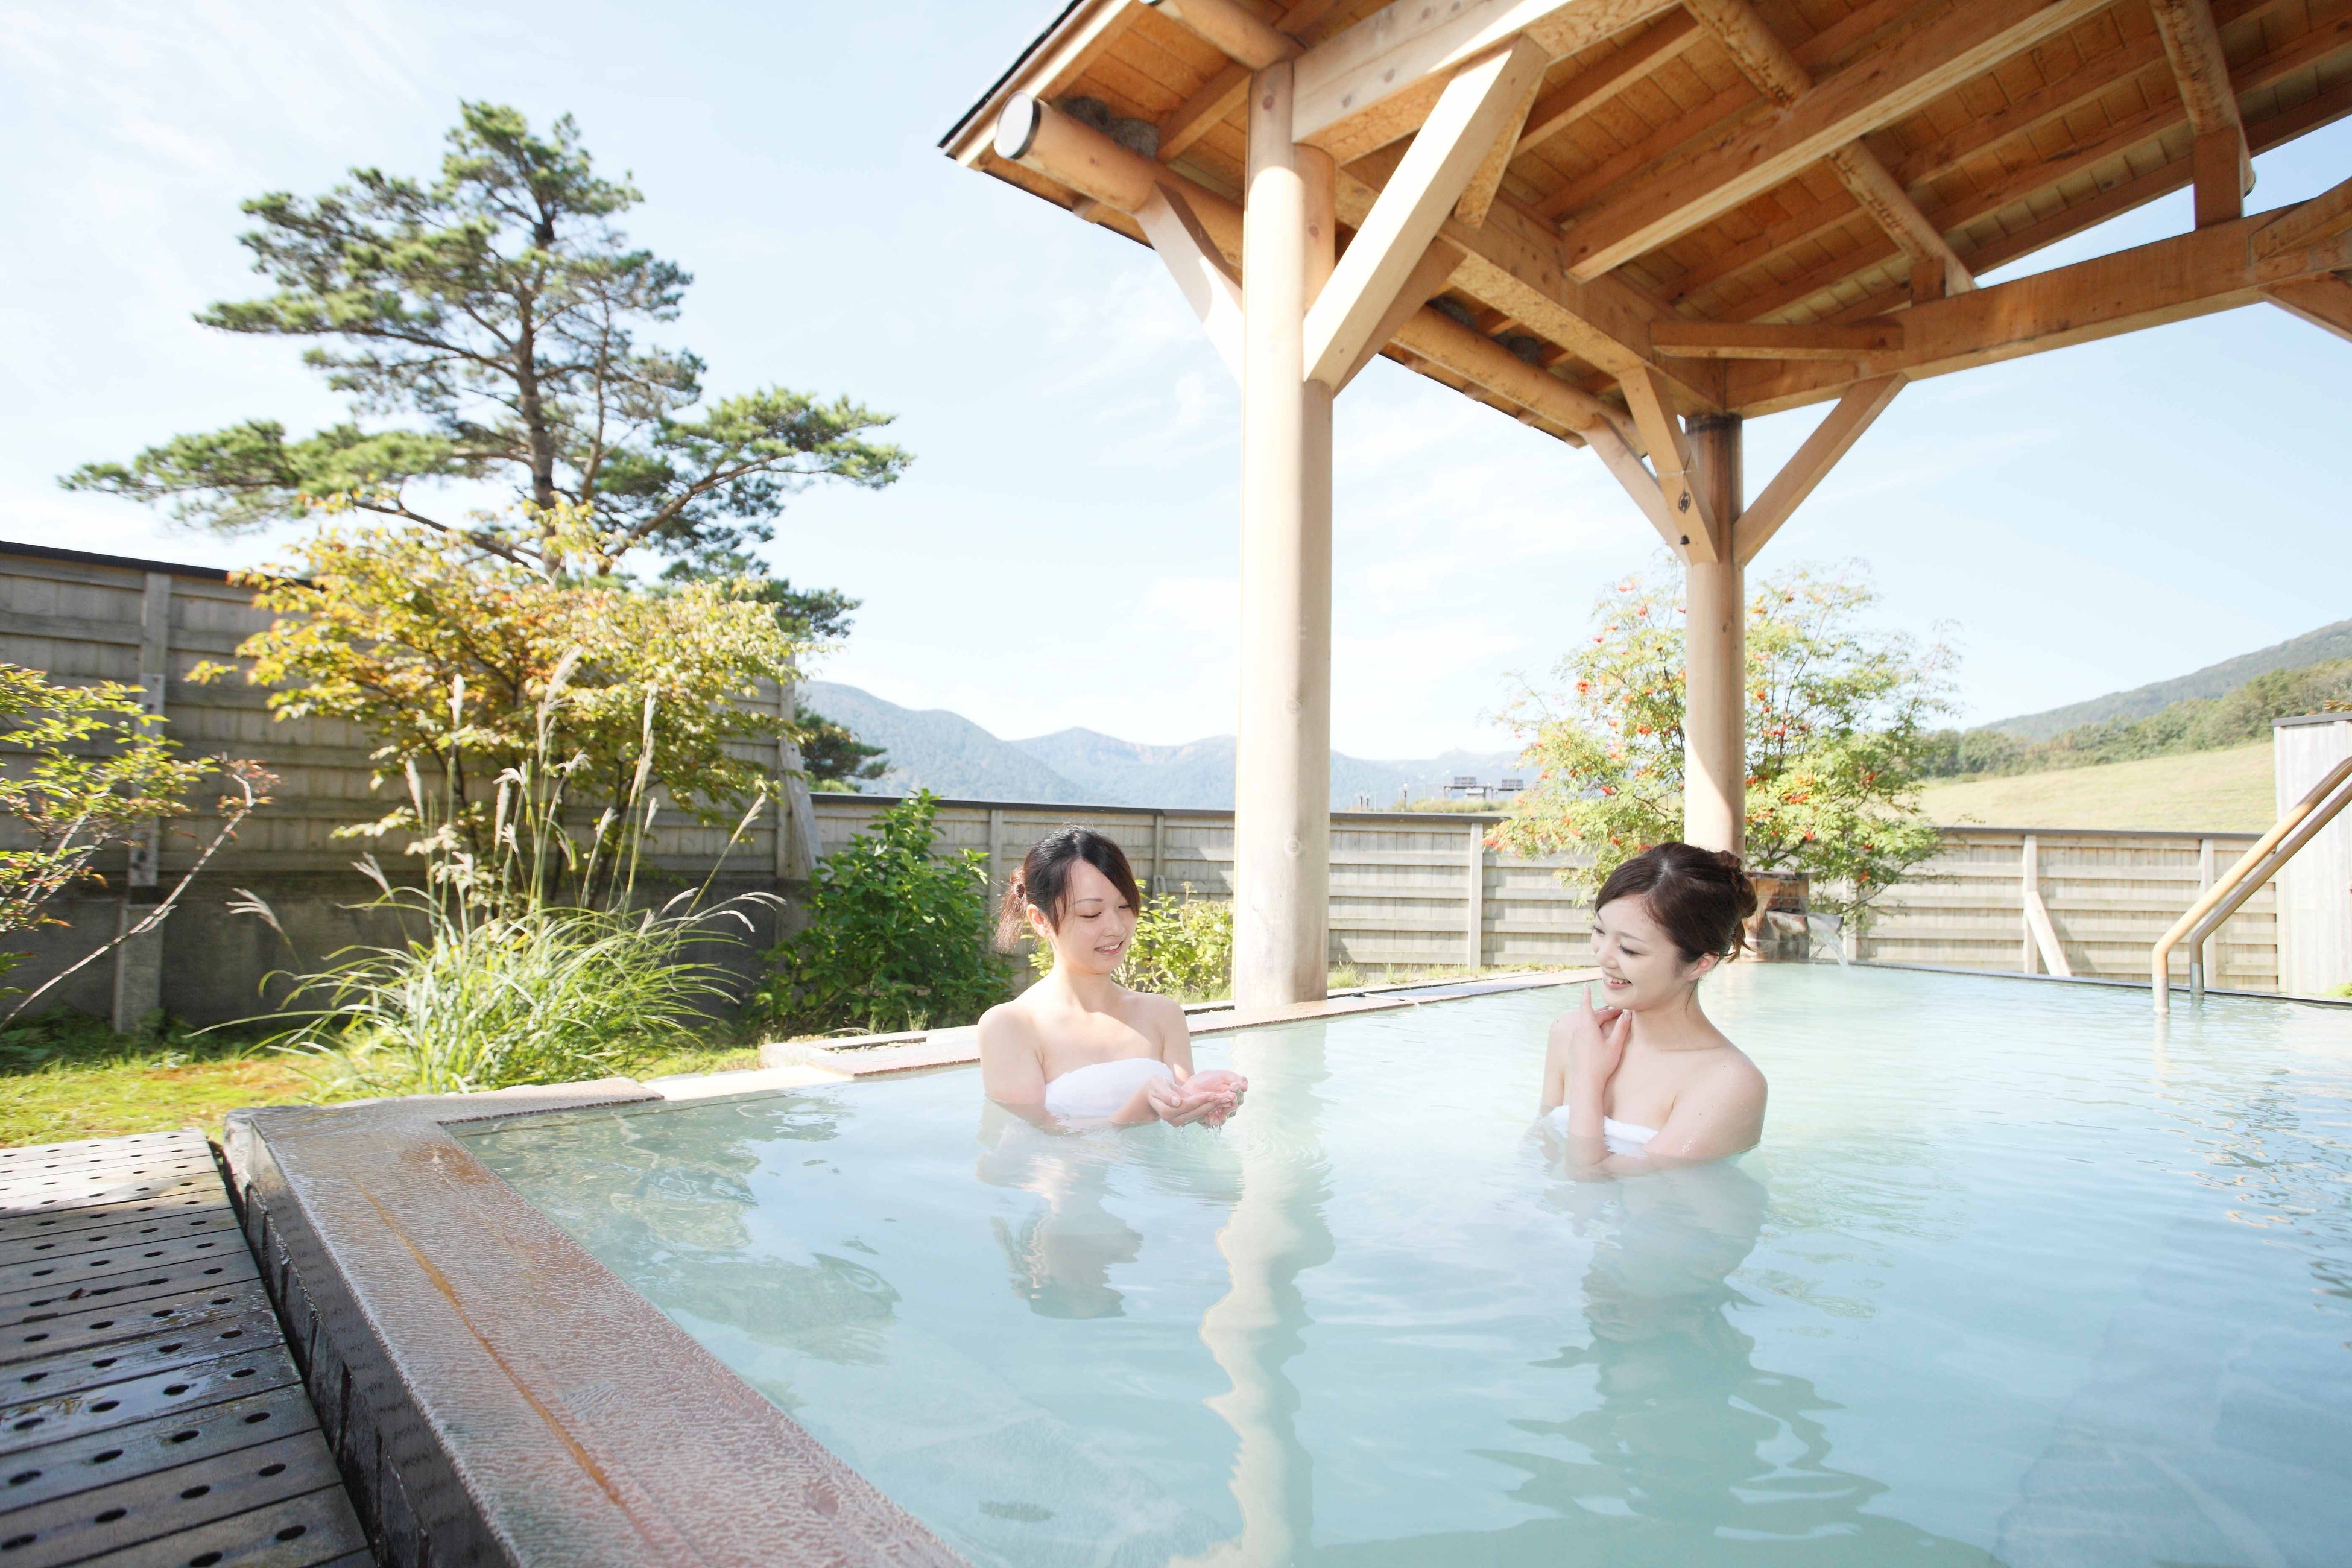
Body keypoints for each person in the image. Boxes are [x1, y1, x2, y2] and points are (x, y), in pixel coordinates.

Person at [979, 826, 1246, 1128]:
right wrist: (1139, 1109)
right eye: (1091, 914)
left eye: (1124, 906)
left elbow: (1179, 1122)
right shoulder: (1011, 1026)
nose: (1117, 928)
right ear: (1040, 920)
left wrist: (1206, 1104)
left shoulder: (1163, 1014)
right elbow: (1036, 1147)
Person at [1539, 842, 1767, 1169]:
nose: (1602, 955)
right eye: (1599, 931)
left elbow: (1592, 1187)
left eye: (1630, 949)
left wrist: (1588, 1079)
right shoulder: (1569, 1033)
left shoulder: (1728, 1084)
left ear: (1699, 964)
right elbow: (1539, 1156)